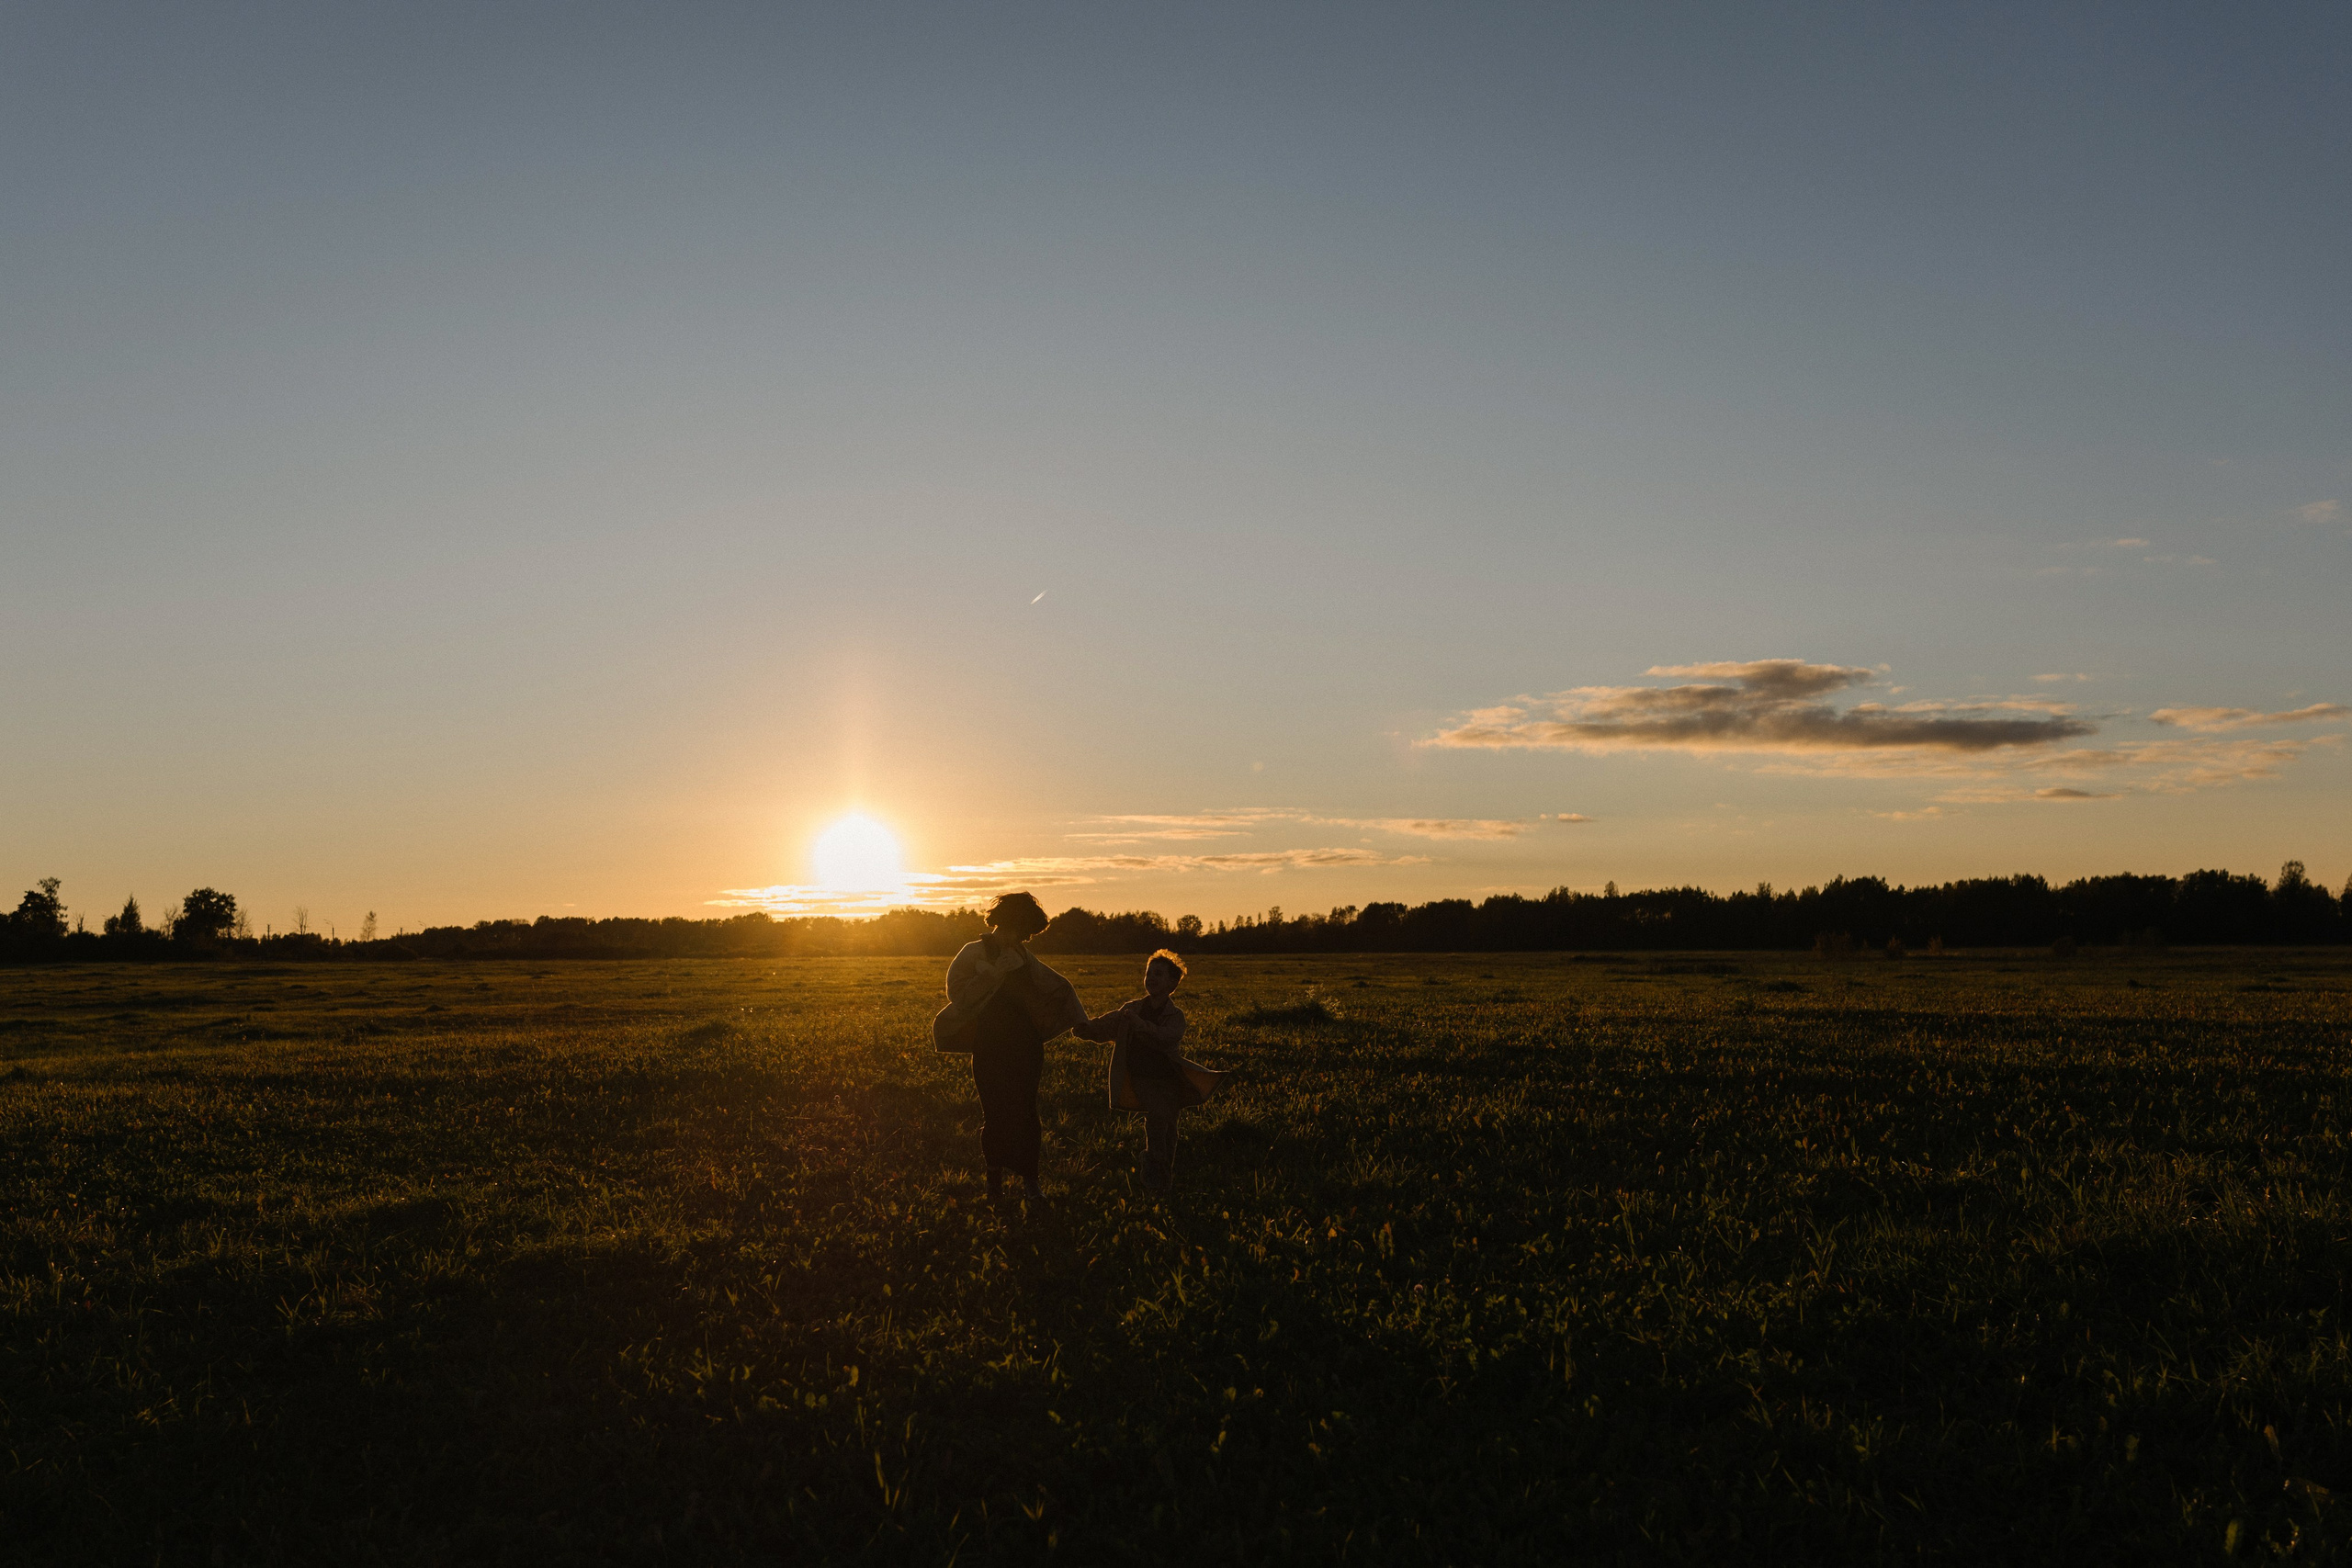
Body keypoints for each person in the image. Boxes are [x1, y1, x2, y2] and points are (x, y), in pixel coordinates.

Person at [941, 892, 1082, 1200]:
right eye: (1014, 929)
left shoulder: (1023, 954)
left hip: (1026, 1044)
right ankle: (994, 1183)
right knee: (994, 1113)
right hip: (990, 1043)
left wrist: (1079, 1019)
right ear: (1002, 922)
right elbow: (959, 997)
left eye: (1021, 932)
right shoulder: (972, 952)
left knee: (1026, 1113)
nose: (1016, 937)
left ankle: (1031, 1182)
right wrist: (993, 975)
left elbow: (1056, 985)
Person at [1074, 949, 1219, 1196]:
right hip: (1143, 1079)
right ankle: (1154, 1174)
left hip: (1170, 1080)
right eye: (1149, 973)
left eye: (1159, 974)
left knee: (1169, 1131)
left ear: (1172, 984)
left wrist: (1142, 1026)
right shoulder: (1132, 1008)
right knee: (1157, 1121)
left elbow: (1168, 1037)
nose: (1151, 978)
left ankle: (1162, 1176)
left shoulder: (1176, 1016)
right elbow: (1109, 1025)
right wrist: (1087, 1029)